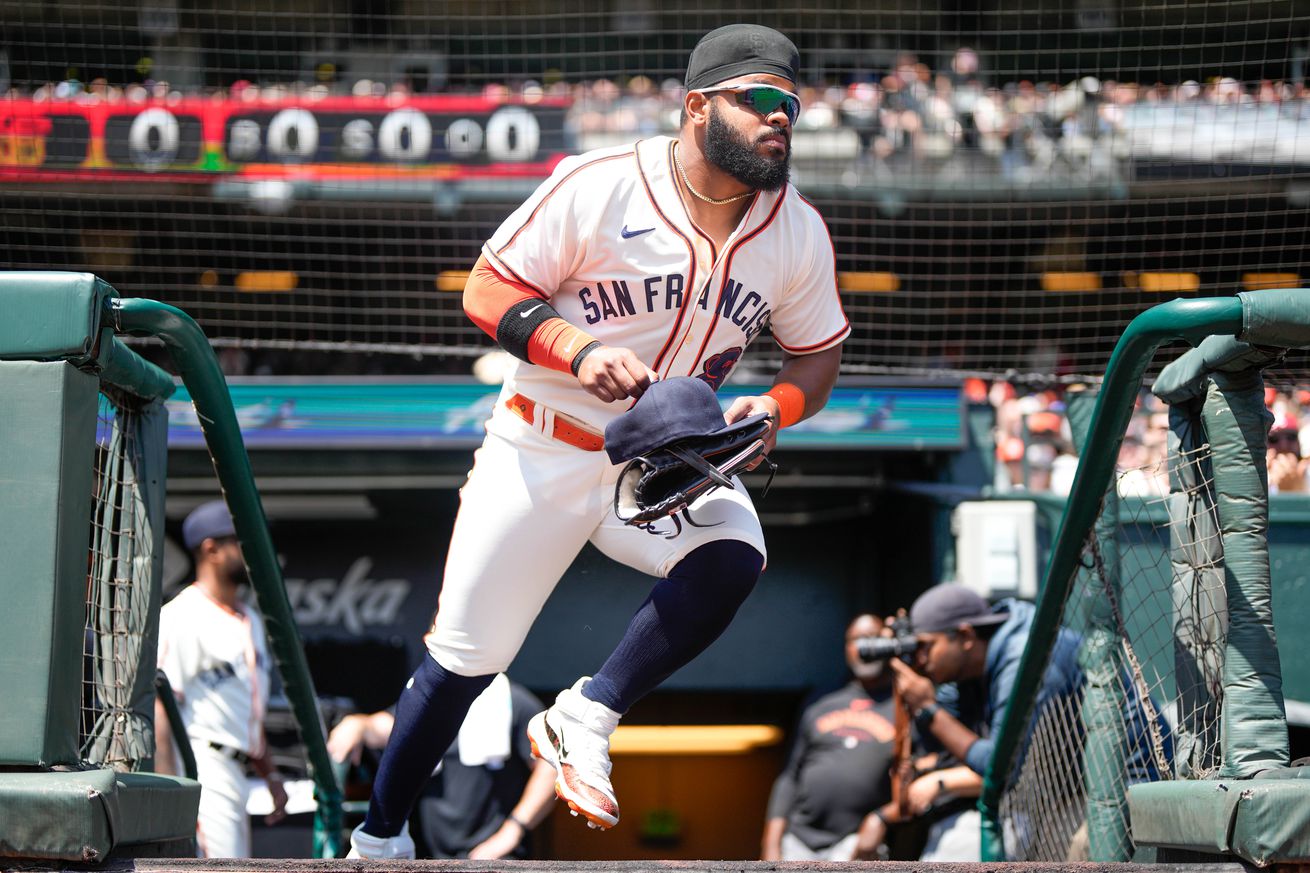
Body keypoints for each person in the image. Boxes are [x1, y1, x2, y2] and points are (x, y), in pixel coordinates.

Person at [347, 22, 848, 859]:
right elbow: (488, 286)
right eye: (760, 100)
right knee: (467, 659)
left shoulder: (794, 229)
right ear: (697, 107)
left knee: (735, 551)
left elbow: (819, 353)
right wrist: (575, 348)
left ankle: (589, 710)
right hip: (540, 445)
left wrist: (779, 406)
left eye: (791, 106)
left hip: (663, 462)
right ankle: (380, 836)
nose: (780, 119)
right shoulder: (601, 184)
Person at [889, 584, 1172, 858]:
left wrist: (927, 707)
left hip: (1131, 785)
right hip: (1070, 786)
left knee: (1080, 855)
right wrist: (909, 666)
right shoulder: (972, 663)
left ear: (964, 636)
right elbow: (947, 740)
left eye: (925, 646)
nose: (921, 657)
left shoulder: (1023, 658)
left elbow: (1000, 768)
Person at [154, 500, 288, 858]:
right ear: (211, 549)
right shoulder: (182, 615)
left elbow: (245, 709)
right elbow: (159, 708)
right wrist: (172, 791)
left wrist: (271, 773)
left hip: (238, 770)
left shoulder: (250, 618)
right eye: (241, 542)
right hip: (202, 765)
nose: (252, 551)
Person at [327, 674, 557, 859]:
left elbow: (550, 766)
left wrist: (512, 831)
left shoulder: (515, 703)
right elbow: (386, 727)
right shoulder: (428, 704)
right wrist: (357, 724)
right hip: (430, 856)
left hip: (495, 857)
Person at [761, 614, 898, 862]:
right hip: (799, 839)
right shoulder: (821, 702)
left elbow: (916, 778)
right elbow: (789, 776)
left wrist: (882, 818)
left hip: (856, 842)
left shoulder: (902, 707)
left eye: (872, 639)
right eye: (856, 640)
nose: (864, 647)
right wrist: (771, 844)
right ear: (846, 647)